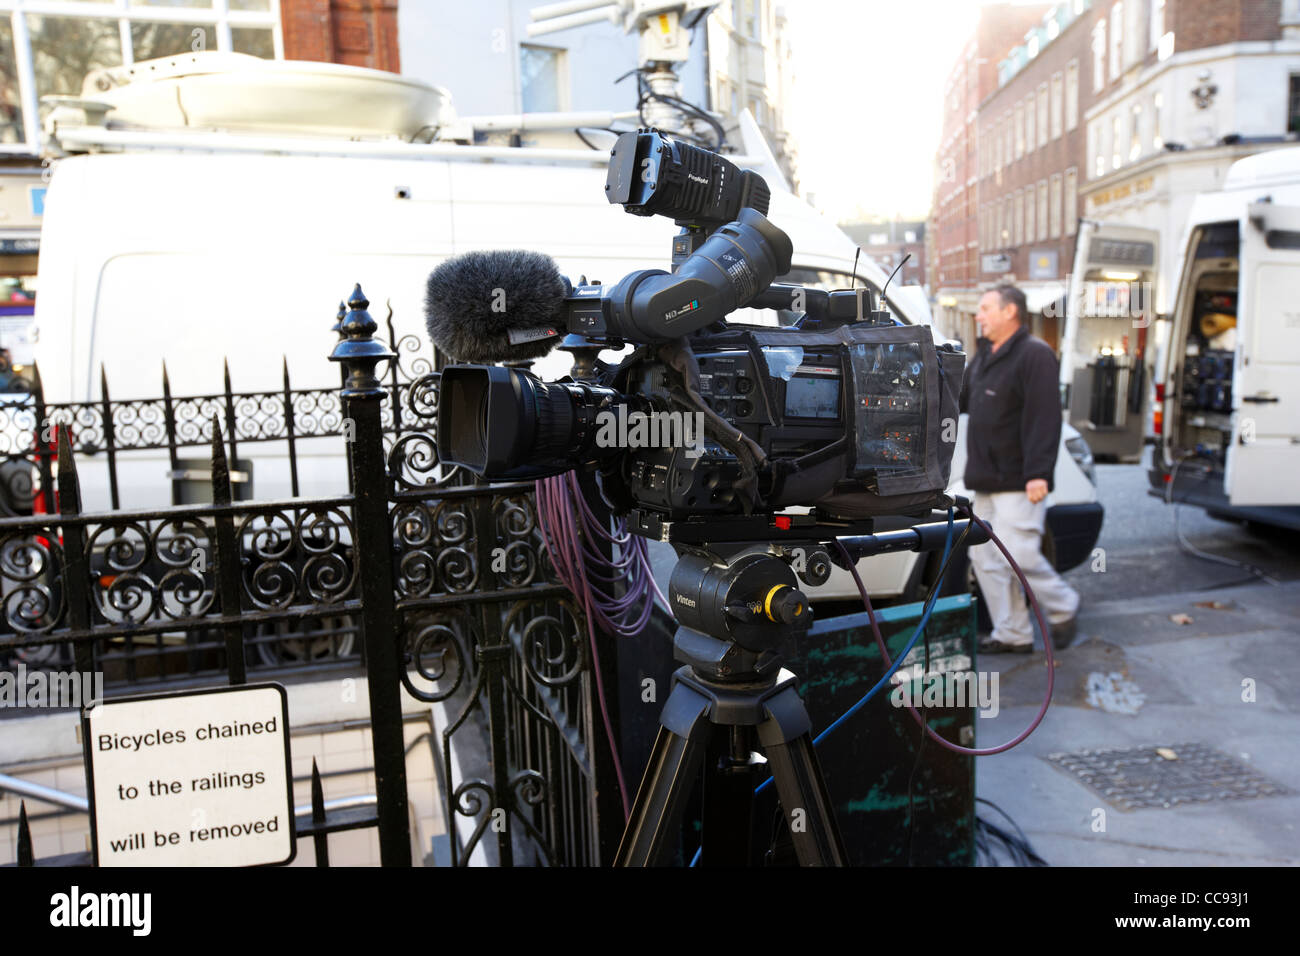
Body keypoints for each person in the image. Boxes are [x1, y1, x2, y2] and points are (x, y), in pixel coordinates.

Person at [960, 284, 1079, 653]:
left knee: (1019, 553)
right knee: (984, 557)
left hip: (1018, 479)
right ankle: (1012, 633)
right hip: (985, 478)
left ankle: (1063, 606)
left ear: (1010, 311)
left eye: (985, 308)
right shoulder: (984, 356)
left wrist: (1038, 472)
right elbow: (962, 400)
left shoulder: (1035, 355)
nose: (979, 315)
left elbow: (1045, 418)